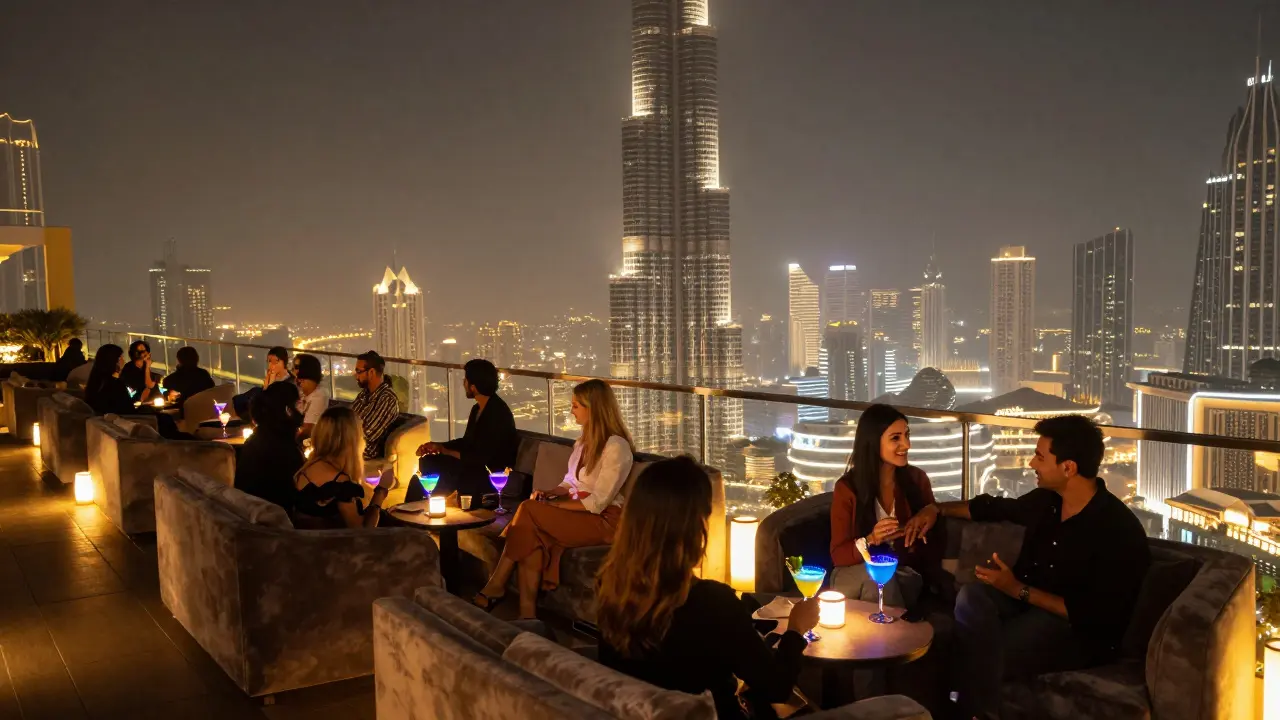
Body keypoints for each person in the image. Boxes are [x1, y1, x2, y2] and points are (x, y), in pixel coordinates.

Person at [901, 414, 1150, 720]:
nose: (1032, 463)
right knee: (973, 597)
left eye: (1040, 456)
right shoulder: (1046, 501)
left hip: (1075, 628)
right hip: (1025, 602)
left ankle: (975, 713)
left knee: (990, 650)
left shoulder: (1117, 530)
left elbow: (1093, 615)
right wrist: (934, 509)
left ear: (1068, 468)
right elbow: (990, 507)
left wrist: (1016, 589)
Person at [597, 457, 819, 720]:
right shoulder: (711, 602)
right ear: (693, 529)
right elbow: (777, 686)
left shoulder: (610, 587)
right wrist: (795, 629)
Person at [471, 379, 632, 619]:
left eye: (576, 406)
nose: (571, 411)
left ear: (593, 409)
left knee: (528, 508)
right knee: (532, 536)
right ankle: (528, 617)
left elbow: (598, 501)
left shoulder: (616, 446)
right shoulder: (582, 443)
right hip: (578, 511)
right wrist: (553, 493)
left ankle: (497, 583)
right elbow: (570, 482)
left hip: (604, 520)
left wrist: (553, 505)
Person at [829, 403, 940, 608]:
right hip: (852, 572)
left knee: (882, 579)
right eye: (895, 438)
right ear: (873, 442)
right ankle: (898, 634)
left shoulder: (917, 480)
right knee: (877, 576)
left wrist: (920, 529)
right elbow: (839, 556)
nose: (906, 445)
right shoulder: (847, 488)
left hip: (904, 574)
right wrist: (871, 539)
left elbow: (932, 544)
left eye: (907, 435)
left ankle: (878, 635)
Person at [411, 358, 518, 501]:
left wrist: (445, 451)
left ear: (474, 386)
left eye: (466, 380)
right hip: (473, 465)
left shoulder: (497, 413)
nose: (464, 384)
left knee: (435, 468)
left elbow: (483, 457)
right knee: (428, 461)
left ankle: (424, 505)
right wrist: (439, 446)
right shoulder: (478, 409)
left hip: (487, 473)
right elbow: (467, 442)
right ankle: (425, 504)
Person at [293, 406, 395, 529]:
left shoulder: (304, 470)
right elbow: (363, 533)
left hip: (306, 544)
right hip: (334, 547)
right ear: (352, 440)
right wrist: (381, 491)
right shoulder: (341, 485)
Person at [82, 343, 189, 440]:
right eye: (121, 358)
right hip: (131, 421)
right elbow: (128, 409)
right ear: (115, 361)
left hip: (122, 418)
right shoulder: (118, 381)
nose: (123, 360)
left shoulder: (97, 382)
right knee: (166, 420)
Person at [234, 382, 305, 512]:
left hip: (251, 513)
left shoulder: (258, 438)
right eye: (299, 403)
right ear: (288, 410)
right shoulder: (282, 447)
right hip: (277, 521)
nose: (302, 409)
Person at [350, 350, 400, 460]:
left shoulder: (387, 399)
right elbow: (349, 420)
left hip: (362, 452)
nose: (356, 376)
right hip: (350, 446)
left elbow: (368, 434)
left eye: (359, 372)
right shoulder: (364, 394)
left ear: (371, 372)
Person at [232, 346, 293, 419]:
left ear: (284, 362)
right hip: (262, 404)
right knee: (243, 398)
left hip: (272, 409)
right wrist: (268, 380)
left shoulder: (289, 381)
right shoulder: (271, 375)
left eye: (276, 361)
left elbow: (270, 399)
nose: (272, 365)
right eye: (270, 361)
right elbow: (264, 393)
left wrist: (271, 381)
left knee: (253, 395)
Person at [161, 346, 215, 416]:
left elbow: (166, 382)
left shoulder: (181, 375)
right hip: (206, 409)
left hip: (187, 410)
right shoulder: (203, 373)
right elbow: (212, 386)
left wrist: (179, 369)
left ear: (180, 361)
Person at [292, 353, 329, 440]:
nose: (293, 370)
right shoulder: (299, 389)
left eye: (296, 367)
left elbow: (307, 430)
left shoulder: (319, 395)